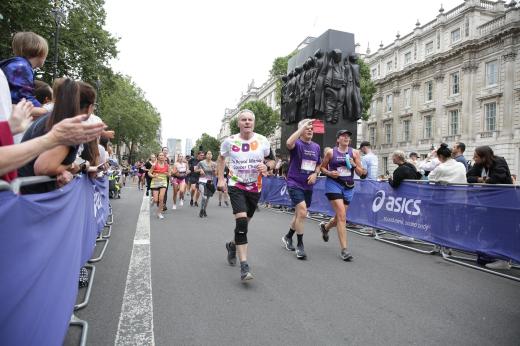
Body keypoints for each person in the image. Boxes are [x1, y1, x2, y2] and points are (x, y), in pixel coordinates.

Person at [217, 109, 274, 281]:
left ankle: (232, 245)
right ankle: (244, 266)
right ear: (238, 123)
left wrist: (268, 167)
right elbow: (221, 159)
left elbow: (272, 160)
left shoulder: (262, 140)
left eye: (250, 119)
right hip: (236, 184)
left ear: (253, 123)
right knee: (241, 221)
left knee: (245, 223)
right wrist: (221, 179)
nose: (247, 122)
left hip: (255, 187)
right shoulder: (230, 141)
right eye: (244, 120)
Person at [17, 78, 88, 193]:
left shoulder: (48, 119)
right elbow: (43, 167)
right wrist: (71, 166)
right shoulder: (69, 127)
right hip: (35, 196)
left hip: (24, 191)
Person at [319, 130, 366, 261]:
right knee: (342, 216)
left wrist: (354, 164)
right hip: (333, 185)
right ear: (338, 139)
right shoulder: (331, 152)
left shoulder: (354, 153)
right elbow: (322, 167)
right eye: (343, 136)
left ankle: (325, 227)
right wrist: (329, 173)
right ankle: (344, 250)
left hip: (348, 187)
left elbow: (361, 173)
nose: (346, 138)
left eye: (348, 137)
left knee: (339, 217)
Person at [467, 145, 513, 270]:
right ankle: (493, 255)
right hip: (490, 203)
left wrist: (484, 180)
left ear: (484, 157)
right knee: (491, 228)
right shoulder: (479, 165)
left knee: (503, 230)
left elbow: (497, 179)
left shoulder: (500, 161)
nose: (473, 158)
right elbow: (468, 177)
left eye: (476, 156)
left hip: (505, 203)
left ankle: (504, 261)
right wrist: (482, 179)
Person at [281, 119, 321, 260]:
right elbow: (288, 143)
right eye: (306, 128)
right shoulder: (297, 143)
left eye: (311, 128)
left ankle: (287, 237)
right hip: (294, 182)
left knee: (300, 214)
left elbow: (318, 164)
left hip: (308, 185)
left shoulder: (316, 147)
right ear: (301, 130)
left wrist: (315, 174)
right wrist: (301, 128)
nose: (310, 130)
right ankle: (300, 245)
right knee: (302, 211)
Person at [0, 32, 49, 119]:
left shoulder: (18, 65)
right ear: (40, 52)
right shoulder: (22, 67)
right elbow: (24, 99)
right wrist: (46, 109)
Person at [196, 150, 217, 217]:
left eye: (211, 154)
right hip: (202, 181)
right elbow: (195, 170)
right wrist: (200, 170)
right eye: (208, 154)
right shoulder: (201, 162)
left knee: (207, 198)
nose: (209, 155)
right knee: (204, 197)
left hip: (209, 182)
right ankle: (201, 210)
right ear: (206, 155)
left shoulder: (214, 164)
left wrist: (214, 171)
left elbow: (215, 174)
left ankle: (204, 210)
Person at [149, 152, 169, 219]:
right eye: (160, 155)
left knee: (161, 199)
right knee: (155, 200)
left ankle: (159, 213)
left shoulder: (167, 165)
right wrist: (153, 176)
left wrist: (168, 174)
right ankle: (153, 201)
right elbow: (149, 173)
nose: (161, 156)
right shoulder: (154, 165)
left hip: (163, 182)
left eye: (162, 155)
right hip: (155, 182)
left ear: (164, 157)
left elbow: (170, 173)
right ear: (158, 157)